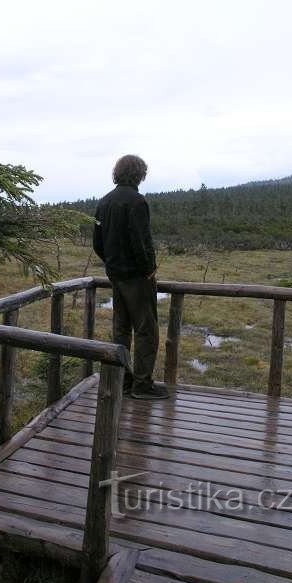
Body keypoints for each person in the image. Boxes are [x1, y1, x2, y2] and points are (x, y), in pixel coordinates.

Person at [93, 155, 168, 400]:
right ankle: (142, 384)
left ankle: (123, 381)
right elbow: (141, 241)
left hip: (116, 276)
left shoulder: (104, 202)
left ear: (117, 173)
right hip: (137, 278)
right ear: (140, 174)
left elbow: (98, 243)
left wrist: (113, 264)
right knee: (146, 330)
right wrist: (149, 269)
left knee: (121, 329)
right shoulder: (137, 202)